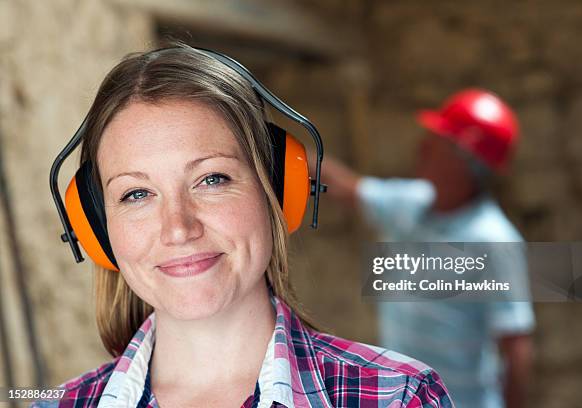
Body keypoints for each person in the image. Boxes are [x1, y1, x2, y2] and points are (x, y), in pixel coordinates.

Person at [36, 45, 453, 407]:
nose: (178, 228)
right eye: (137, 194)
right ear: (95, 225)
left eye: (212, 179)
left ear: (277, 190)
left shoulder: (398, 396)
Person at [316, 89, 535, 408]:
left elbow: (515, 346)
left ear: (467, 163)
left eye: (439, 142)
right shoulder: (410, 205)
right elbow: (345, 188)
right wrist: (285, 150)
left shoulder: (492, 240)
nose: (422, 147)